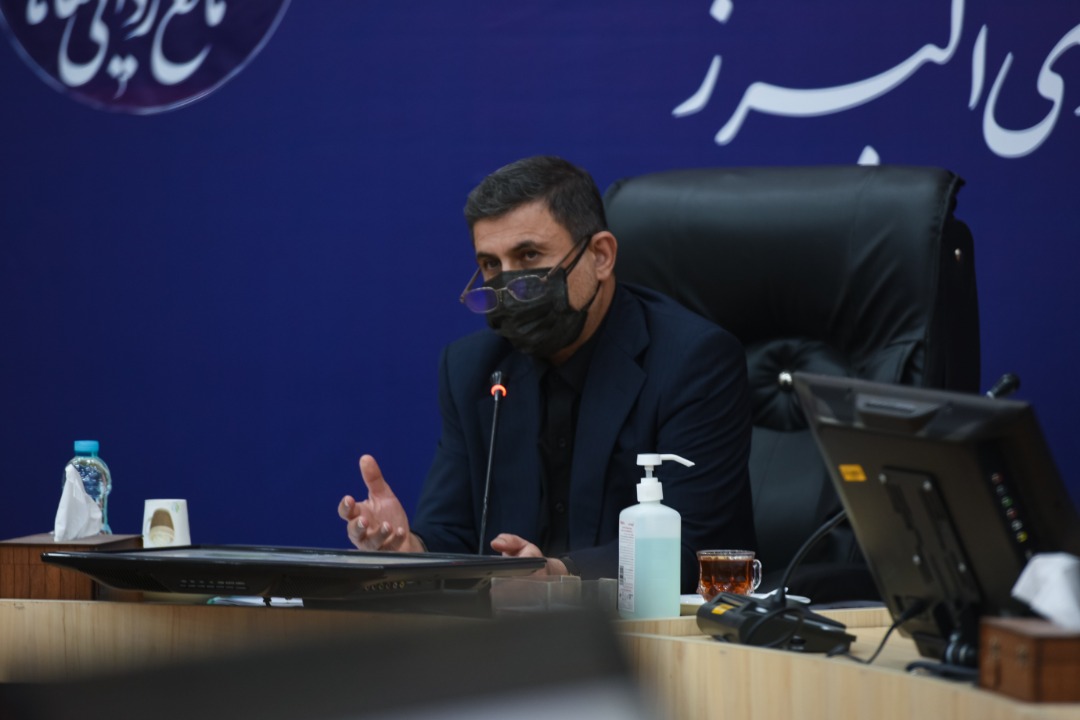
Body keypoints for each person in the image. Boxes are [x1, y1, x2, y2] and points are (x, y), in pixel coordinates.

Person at [338, 155, 755, 591]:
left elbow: (694, 550)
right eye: (491, 265)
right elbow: (455, 534)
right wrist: (410, 551)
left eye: (529, 255)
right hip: (515, 629)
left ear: (601, 256)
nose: (509, 286)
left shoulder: (693, 361)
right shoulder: (473, 369)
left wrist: (560, 576)